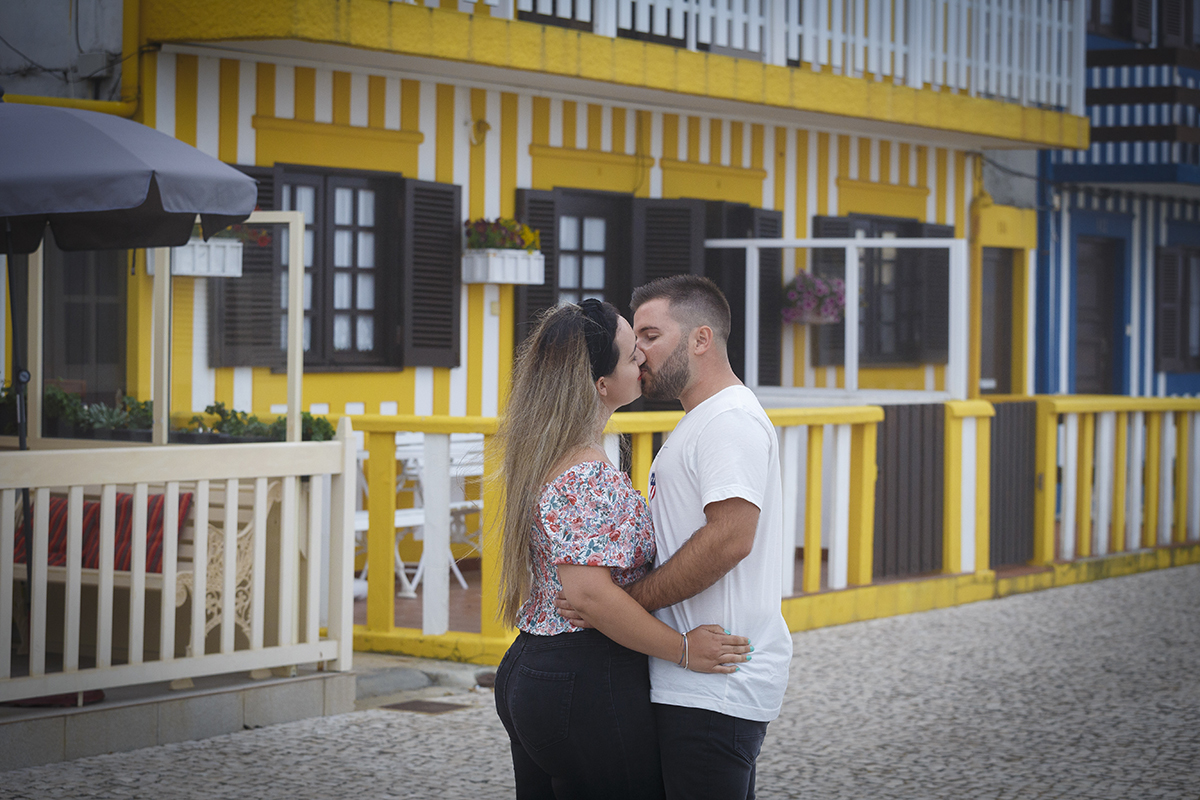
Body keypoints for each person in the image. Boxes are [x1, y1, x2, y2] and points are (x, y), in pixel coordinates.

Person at [492, 299, 752, 800]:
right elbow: (590, 597)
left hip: (537, 666)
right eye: (632, 354)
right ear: (601, 385)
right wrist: (683, 650)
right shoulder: (585, 471)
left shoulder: (549, 454)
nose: (644, 362)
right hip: (583, 677)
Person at [558, 276, 792, 800]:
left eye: (650, 334)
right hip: (696, 679)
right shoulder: (700, 420)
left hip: (712, 684)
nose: (637, 351)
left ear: (700, 339)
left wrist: (624, 604)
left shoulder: (728, 421)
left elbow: (731, 538)